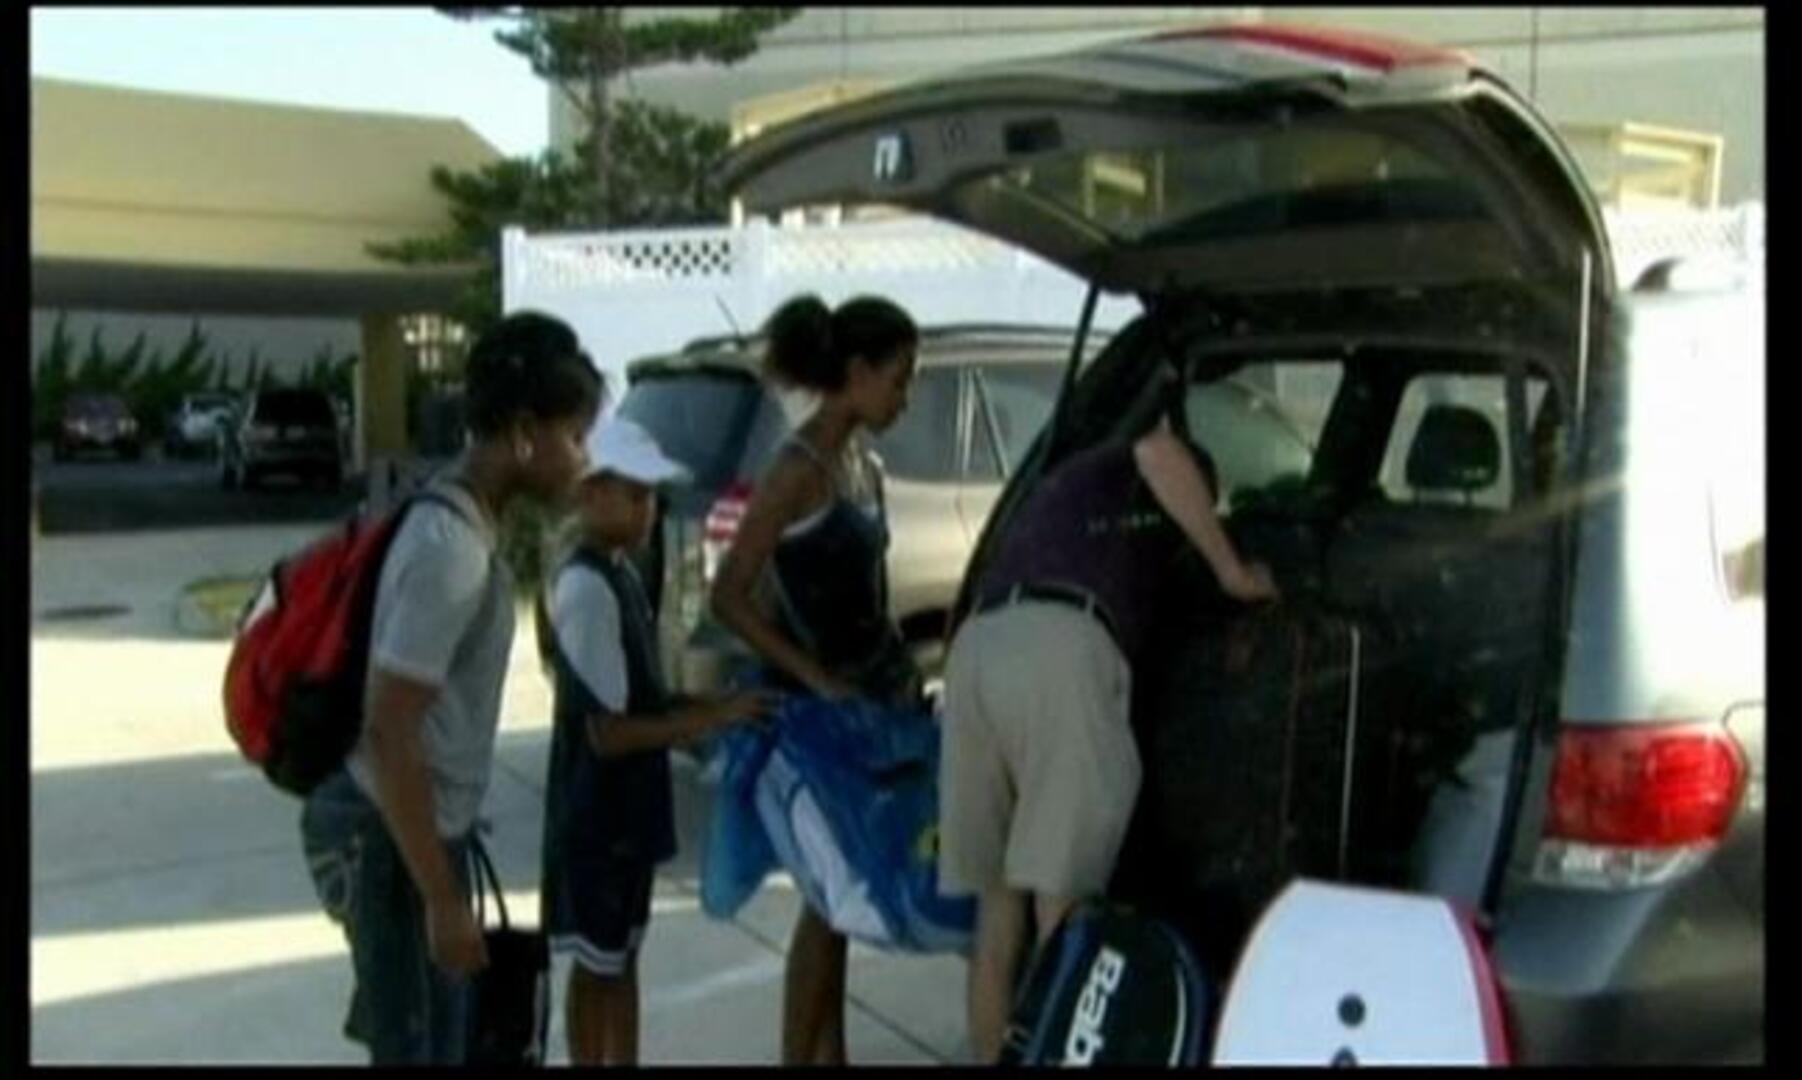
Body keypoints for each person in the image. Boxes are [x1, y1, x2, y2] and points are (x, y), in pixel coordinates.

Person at [938, 383, 1280, 1063]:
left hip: (978, 650)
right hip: (1060, 651)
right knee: (1065, 915)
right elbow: (1158, 452)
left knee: (998, 917)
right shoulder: (1143, 461)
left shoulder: (1071, 490)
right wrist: (1232, 569)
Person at [298, 311, 605, 1065]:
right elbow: (389, 731)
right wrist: (441, 899)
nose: (584, 459)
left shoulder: (462, 523)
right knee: (420, 1048)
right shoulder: (449, 551)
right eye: (575, 436)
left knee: (442, 1039)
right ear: (526, 433)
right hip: (389, 834)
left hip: (411, 830)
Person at [709, 293, 922, 1065]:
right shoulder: (796, 470)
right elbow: (729, 593)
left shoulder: (857, 459)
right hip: (818, 716)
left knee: (838, 896)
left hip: (867, 702)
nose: (906, 395)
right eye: (899, 378)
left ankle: (827, 1053)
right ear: (856, 372)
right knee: (826, 900)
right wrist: (814, 679)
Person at [538, 417, 773, 1065]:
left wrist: (717, 706)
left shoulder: (622, 576)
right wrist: (708, 719)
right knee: (598, 968)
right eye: (635, 496)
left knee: (622, 958)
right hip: (595, 818)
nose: (648, 512)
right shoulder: (585, 588)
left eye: (652, 498)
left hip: (627, 816)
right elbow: (608, 732)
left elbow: (646, 697)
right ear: (593, 496)